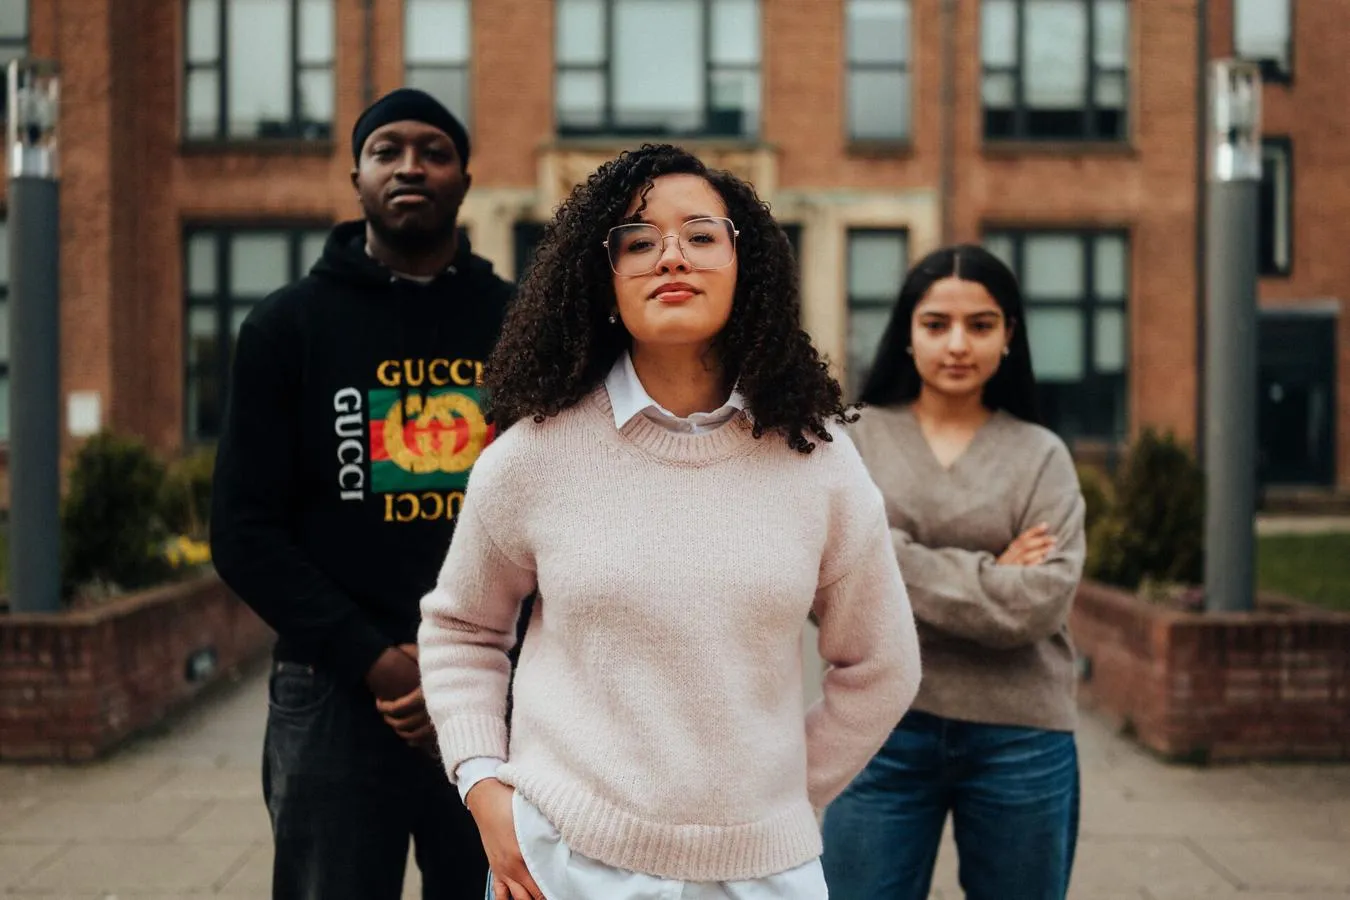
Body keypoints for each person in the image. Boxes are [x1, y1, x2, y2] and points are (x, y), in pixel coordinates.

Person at [415, 144, 923, 900]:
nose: (671, 256)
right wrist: (484, 785)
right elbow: (463, 630)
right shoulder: (533, 456)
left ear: (743, 264)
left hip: (762, 875)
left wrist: (782, 797)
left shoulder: (816, 458)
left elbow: (882, 664)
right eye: (640, 240)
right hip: (565, 861)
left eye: (700, 235)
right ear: (604, 276)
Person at [210, 88, 513, 900]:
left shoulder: (517, 324)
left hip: (491, 686)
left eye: (433, 150)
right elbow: (243, 531)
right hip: (334, 688)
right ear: (357, 177)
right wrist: (379, 664)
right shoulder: (287, 327)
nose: (410, 164)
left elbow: (557, 510)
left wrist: (459, 665)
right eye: (387, 149)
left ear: (464, 177)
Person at [820, 244, 1087, 900]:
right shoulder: (853, 438)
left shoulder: (1041, 455)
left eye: (982, 325)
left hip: (1022, 734)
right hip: (878, 728)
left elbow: (1038, 605)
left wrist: (887, 554)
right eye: (936, 324)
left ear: (1009, 338)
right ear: (907, 336)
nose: (958, 344)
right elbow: (824, 578)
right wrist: (991, 571)